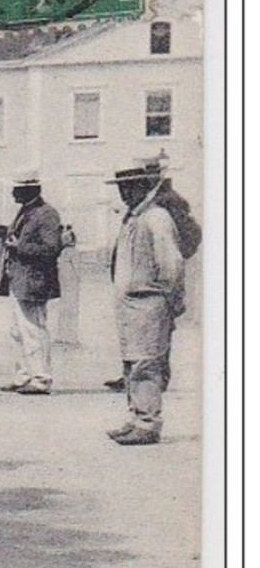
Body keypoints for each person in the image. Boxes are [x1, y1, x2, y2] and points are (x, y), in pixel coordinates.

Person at [104, 162, 187, 446]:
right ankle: (136, 416)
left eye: (130, 187)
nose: (125, 193)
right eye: (122, 188)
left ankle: (148, 422)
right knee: (132, 362)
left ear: (144, 186)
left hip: (148, 302)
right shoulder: (133, 217)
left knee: (147, 363)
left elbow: (171, 266)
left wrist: (168, 302)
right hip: (131, 305)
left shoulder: (156, 218)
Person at [0, 175, 62, 396]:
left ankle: (41, 378)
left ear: (31, 190)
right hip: (19, 279)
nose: (13, 193)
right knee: (17, 331)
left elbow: (51, 248)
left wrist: (19, 246)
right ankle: (23, 375)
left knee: (33, 329)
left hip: (34, 280)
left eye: (17, 189)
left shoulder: (47, 214)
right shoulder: (26, 211)